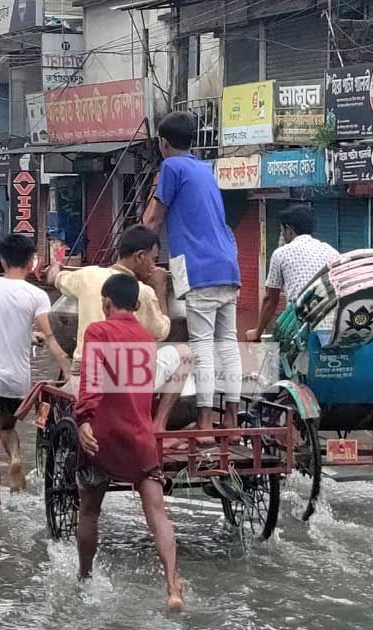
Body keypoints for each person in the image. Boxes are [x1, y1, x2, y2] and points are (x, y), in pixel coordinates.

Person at [74, 273, 184, 611]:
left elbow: (91, 379)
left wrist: (83, 419)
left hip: (104, 436)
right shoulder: (145, 338)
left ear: (106, 303)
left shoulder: (98, 331)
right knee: (157, 513)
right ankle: (173, 586)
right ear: (136, 305)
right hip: (140, 437)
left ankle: (85, 576)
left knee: (89, 510)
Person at [143, 111, 242, 434]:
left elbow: (154, 220)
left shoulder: (171, 166)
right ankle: (231, 415)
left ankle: (203, 419)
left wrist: (137, 254)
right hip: (228, 263)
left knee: (201, 345)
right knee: (227, 343)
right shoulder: (204, 167)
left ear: (163, 143)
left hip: (199, 268)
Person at [47, 225, 191, 431]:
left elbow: (55, 278)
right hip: (124, 378)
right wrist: (160, 289)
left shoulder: (87, 276)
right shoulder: (143, 292)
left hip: (84, 374)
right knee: (184, 354)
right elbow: (162, 332)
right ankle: (158, 425)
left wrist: (55, 268)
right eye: (153, 259)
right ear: (140, 256)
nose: (154, 265)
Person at [0, 234, 72, 510]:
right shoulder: (37, 295)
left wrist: (27, 335)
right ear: (31, 262)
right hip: (18, 381)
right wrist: (67, 368)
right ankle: (15, 457)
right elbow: (51, 337)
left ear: (2, 260)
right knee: (9, 426)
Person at [245, 205, 340, 341]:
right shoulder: (332, 252)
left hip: (298, 329)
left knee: (278, 358)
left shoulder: (281, 253)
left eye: (282, 231)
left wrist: (258, 332)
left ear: (289, 230)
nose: (282, 236)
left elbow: (270, 300)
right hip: (330, 329)